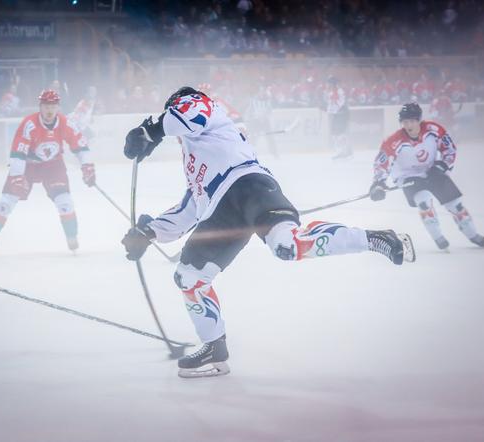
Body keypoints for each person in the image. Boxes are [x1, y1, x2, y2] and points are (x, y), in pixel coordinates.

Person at [120, 86, 416, 378]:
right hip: (221, 213)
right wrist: (149, 232)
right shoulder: (193, 153)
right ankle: (214, 348)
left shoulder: (202, 107)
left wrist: (151, 130)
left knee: (286, 246)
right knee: (188, 276)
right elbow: (191, 208)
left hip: (248, 186)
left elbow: (189, 114)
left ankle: (376, 239)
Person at [0, 90, 96, 254]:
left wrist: (87, 166)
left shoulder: (65, 123)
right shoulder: (29, 124)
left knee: (65, 202)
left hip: (53, 166)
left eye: (53, 106)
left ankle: (72, 238)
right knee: (5, 202)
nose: (49, 110)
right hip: (27, 166)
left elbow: (81, 146)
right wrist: (16, 176)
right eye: (46, 106)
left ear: (58, 108)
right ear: (40, 107)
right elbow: (18, 153)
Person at [369, 103, 484, 250]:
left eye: (412, 121)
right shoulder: (393, 140)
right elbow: (382, 162)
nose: (408, 125)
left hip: (433, 171)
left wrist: (442, 165)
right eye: (405, 122)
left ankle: (473, 235)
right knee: (424, 202)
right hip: (408, 176)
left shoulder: (434, 130)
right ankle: (438, 237)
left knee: (456, 204)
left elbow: (449, 149)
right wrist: (378, 183)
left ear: (419, 120)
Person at [323, 76, 351, 160]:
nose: (327, 85)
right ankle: (343, 151)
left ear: (332, 84)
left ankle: (344, 152)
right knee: (335, 133)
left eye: (328, 83)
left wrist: (330, 109)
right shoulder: (332, 92)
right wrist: (326, 108)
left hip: (342, 114)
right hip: (338, 114)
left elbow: (339, 104)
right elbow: (331, 106)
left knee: (338, 133)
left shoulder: (338, 91)